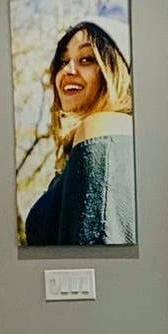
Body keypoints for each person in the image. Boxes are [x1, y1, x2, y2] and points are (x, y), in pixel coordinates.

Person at [21, 21, 137, 246]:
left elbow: (97, 244)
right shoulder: (86, 148)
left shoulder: (102, 128)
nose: (68, 70)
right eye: (63, 62)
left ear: (114, 71)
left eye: (86, 59)